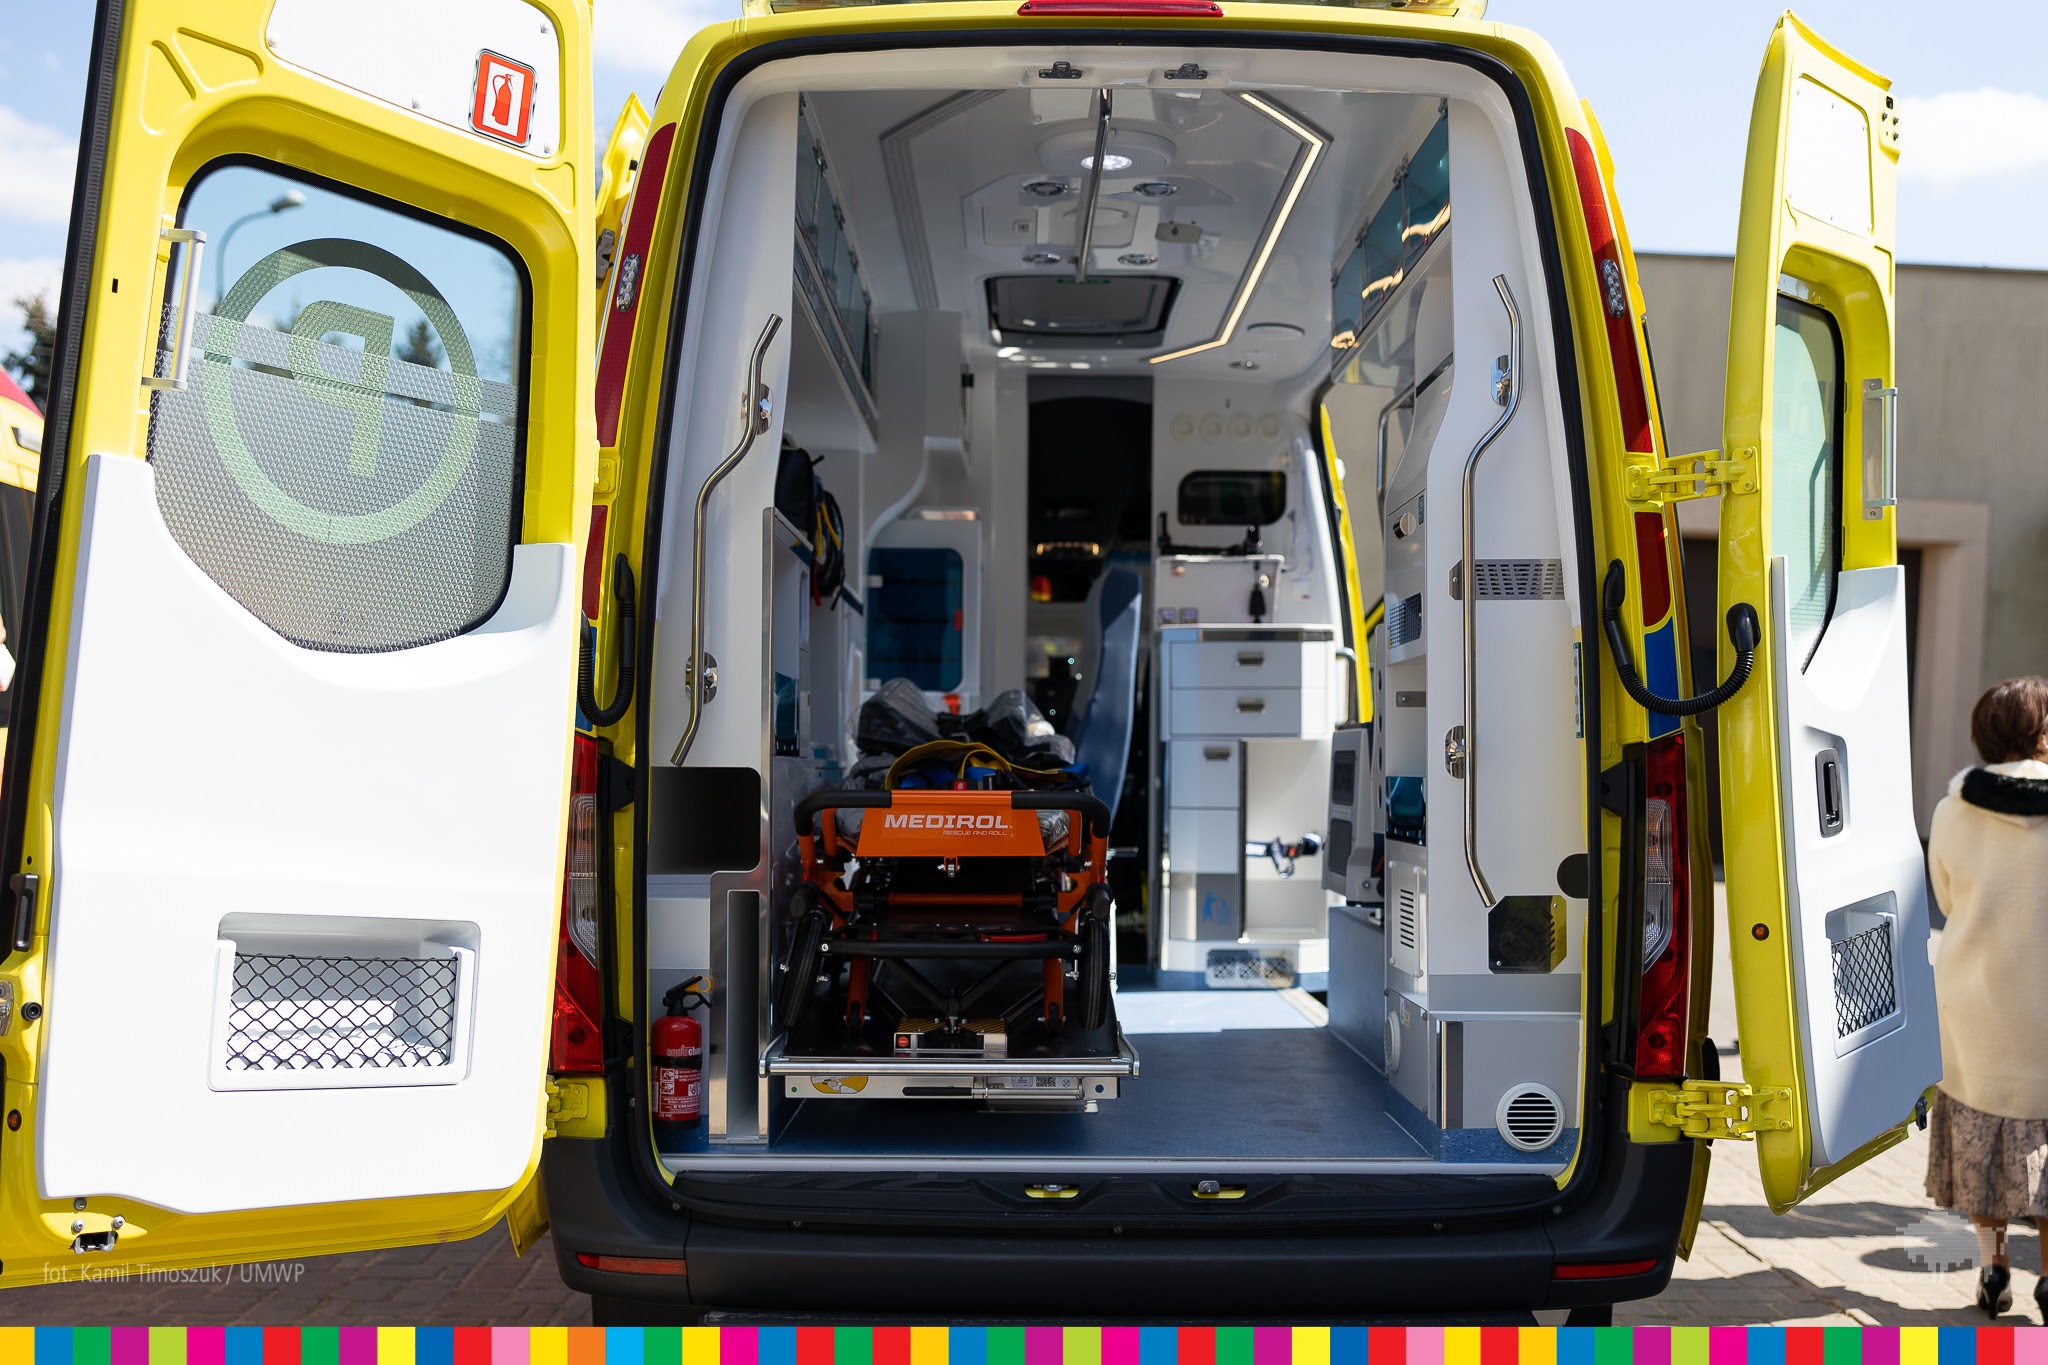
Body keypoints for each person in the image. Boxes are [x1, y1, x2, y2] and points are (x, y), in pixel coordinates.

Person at [1926, 676, 2048, 1320]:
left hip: (1975, 1003)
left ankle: (1993, 1265)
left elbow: (1946, 901)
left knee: (1981, 1134)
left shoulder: (1953, 810)